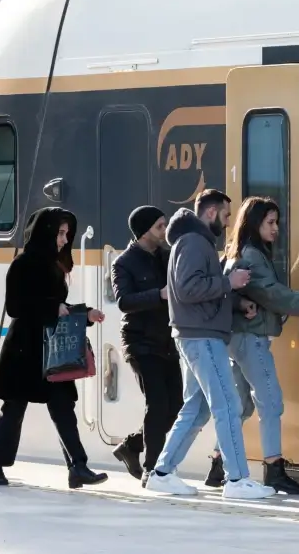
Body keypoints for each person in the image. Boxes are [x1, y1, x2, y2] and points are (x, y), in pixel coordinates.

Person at [145, 189, 275, 499]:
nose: (229, 223)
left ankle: (162, 472)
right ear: (212, 213)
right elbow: (190, 289)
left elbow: (195, 291)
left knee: (197, 407)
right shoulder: (194, 242)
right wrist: (229, 283)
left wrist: (235, 302)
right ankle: (237, 479)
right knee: (227, 404)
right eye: (227, 215)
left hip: (194, 334)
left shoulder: (190, 241)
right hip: (202, 336)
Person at [204, 196, 299, 494]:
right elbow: (272, 294)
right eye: (270, 222)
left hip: (237, 338)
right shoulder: (253, 256)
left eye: (276, 222)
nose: (276, 228)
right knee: (271, 401)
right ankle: (274, 468)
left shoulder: (240, 252)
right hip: (250, 338)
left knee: (240, 405)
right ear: (255, 224)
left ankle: (217, 464)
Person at [0, 207, 109, 489]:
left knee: (64, 407)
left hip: (53, 348)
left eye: (67, 233)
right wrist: (53, 307)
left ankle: (78, 466)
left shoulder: (55, 265)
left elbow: (57, 307)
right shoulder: (23, 264)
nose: (65, 239)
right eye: (60, 233)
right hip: (25, 348)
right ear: (46, 232)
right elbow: (15, 306)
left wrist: (84, 314)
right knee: (14, 407)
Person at [110, 206, 183, 485]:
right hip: (140, 342)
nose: (165, 231)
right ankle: (152, 470)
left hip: (168, 340)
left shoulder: (168, 256)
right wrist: (160, 294)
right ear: (143, 231)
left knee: (176, 405)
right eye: (159, 226)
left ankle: (132, 445)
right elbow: (124, 302)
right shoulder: (124, 262)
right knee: (157, 404)